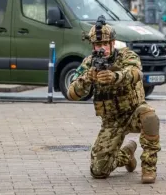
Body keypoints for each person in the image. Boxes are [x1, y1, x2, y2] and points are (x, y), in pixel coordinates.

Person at [67, 16, 160, 183]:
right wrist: (88, 78)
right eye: (97, 45)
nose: (101, 48)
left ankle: (149, 167)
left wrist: (115, 76)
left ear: (112, 43)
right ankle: (126, 155)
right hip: (112, 121)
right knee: (98, 171)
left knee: (150, 116)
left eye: (104, 44)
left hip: (133, 112)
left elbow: (136, 72)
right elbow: (72, 93)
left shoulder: (126, 55)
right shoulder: (89, 64)